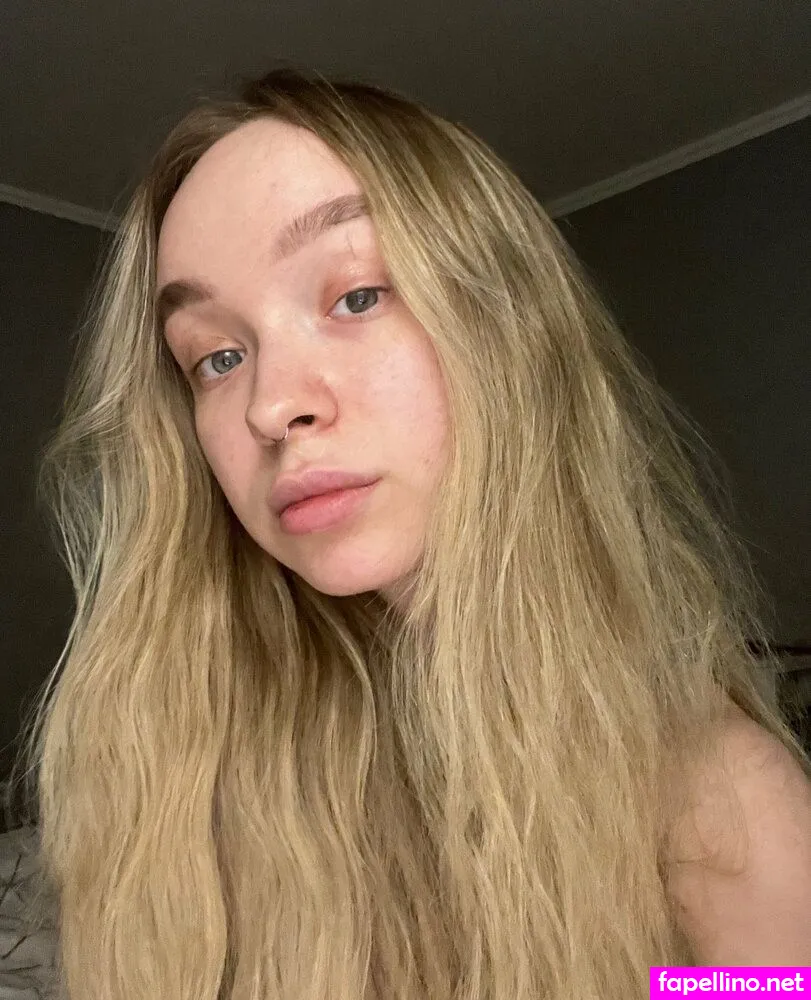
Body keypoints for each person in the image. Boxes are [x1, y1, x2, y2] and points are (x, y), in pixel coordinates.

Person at [10, 67, 811, 1000]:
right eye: (217, 357)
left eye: (355, 297)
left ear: (508, 327)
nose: (270, 404)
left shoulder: (719, 812)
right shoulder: (185, 785)